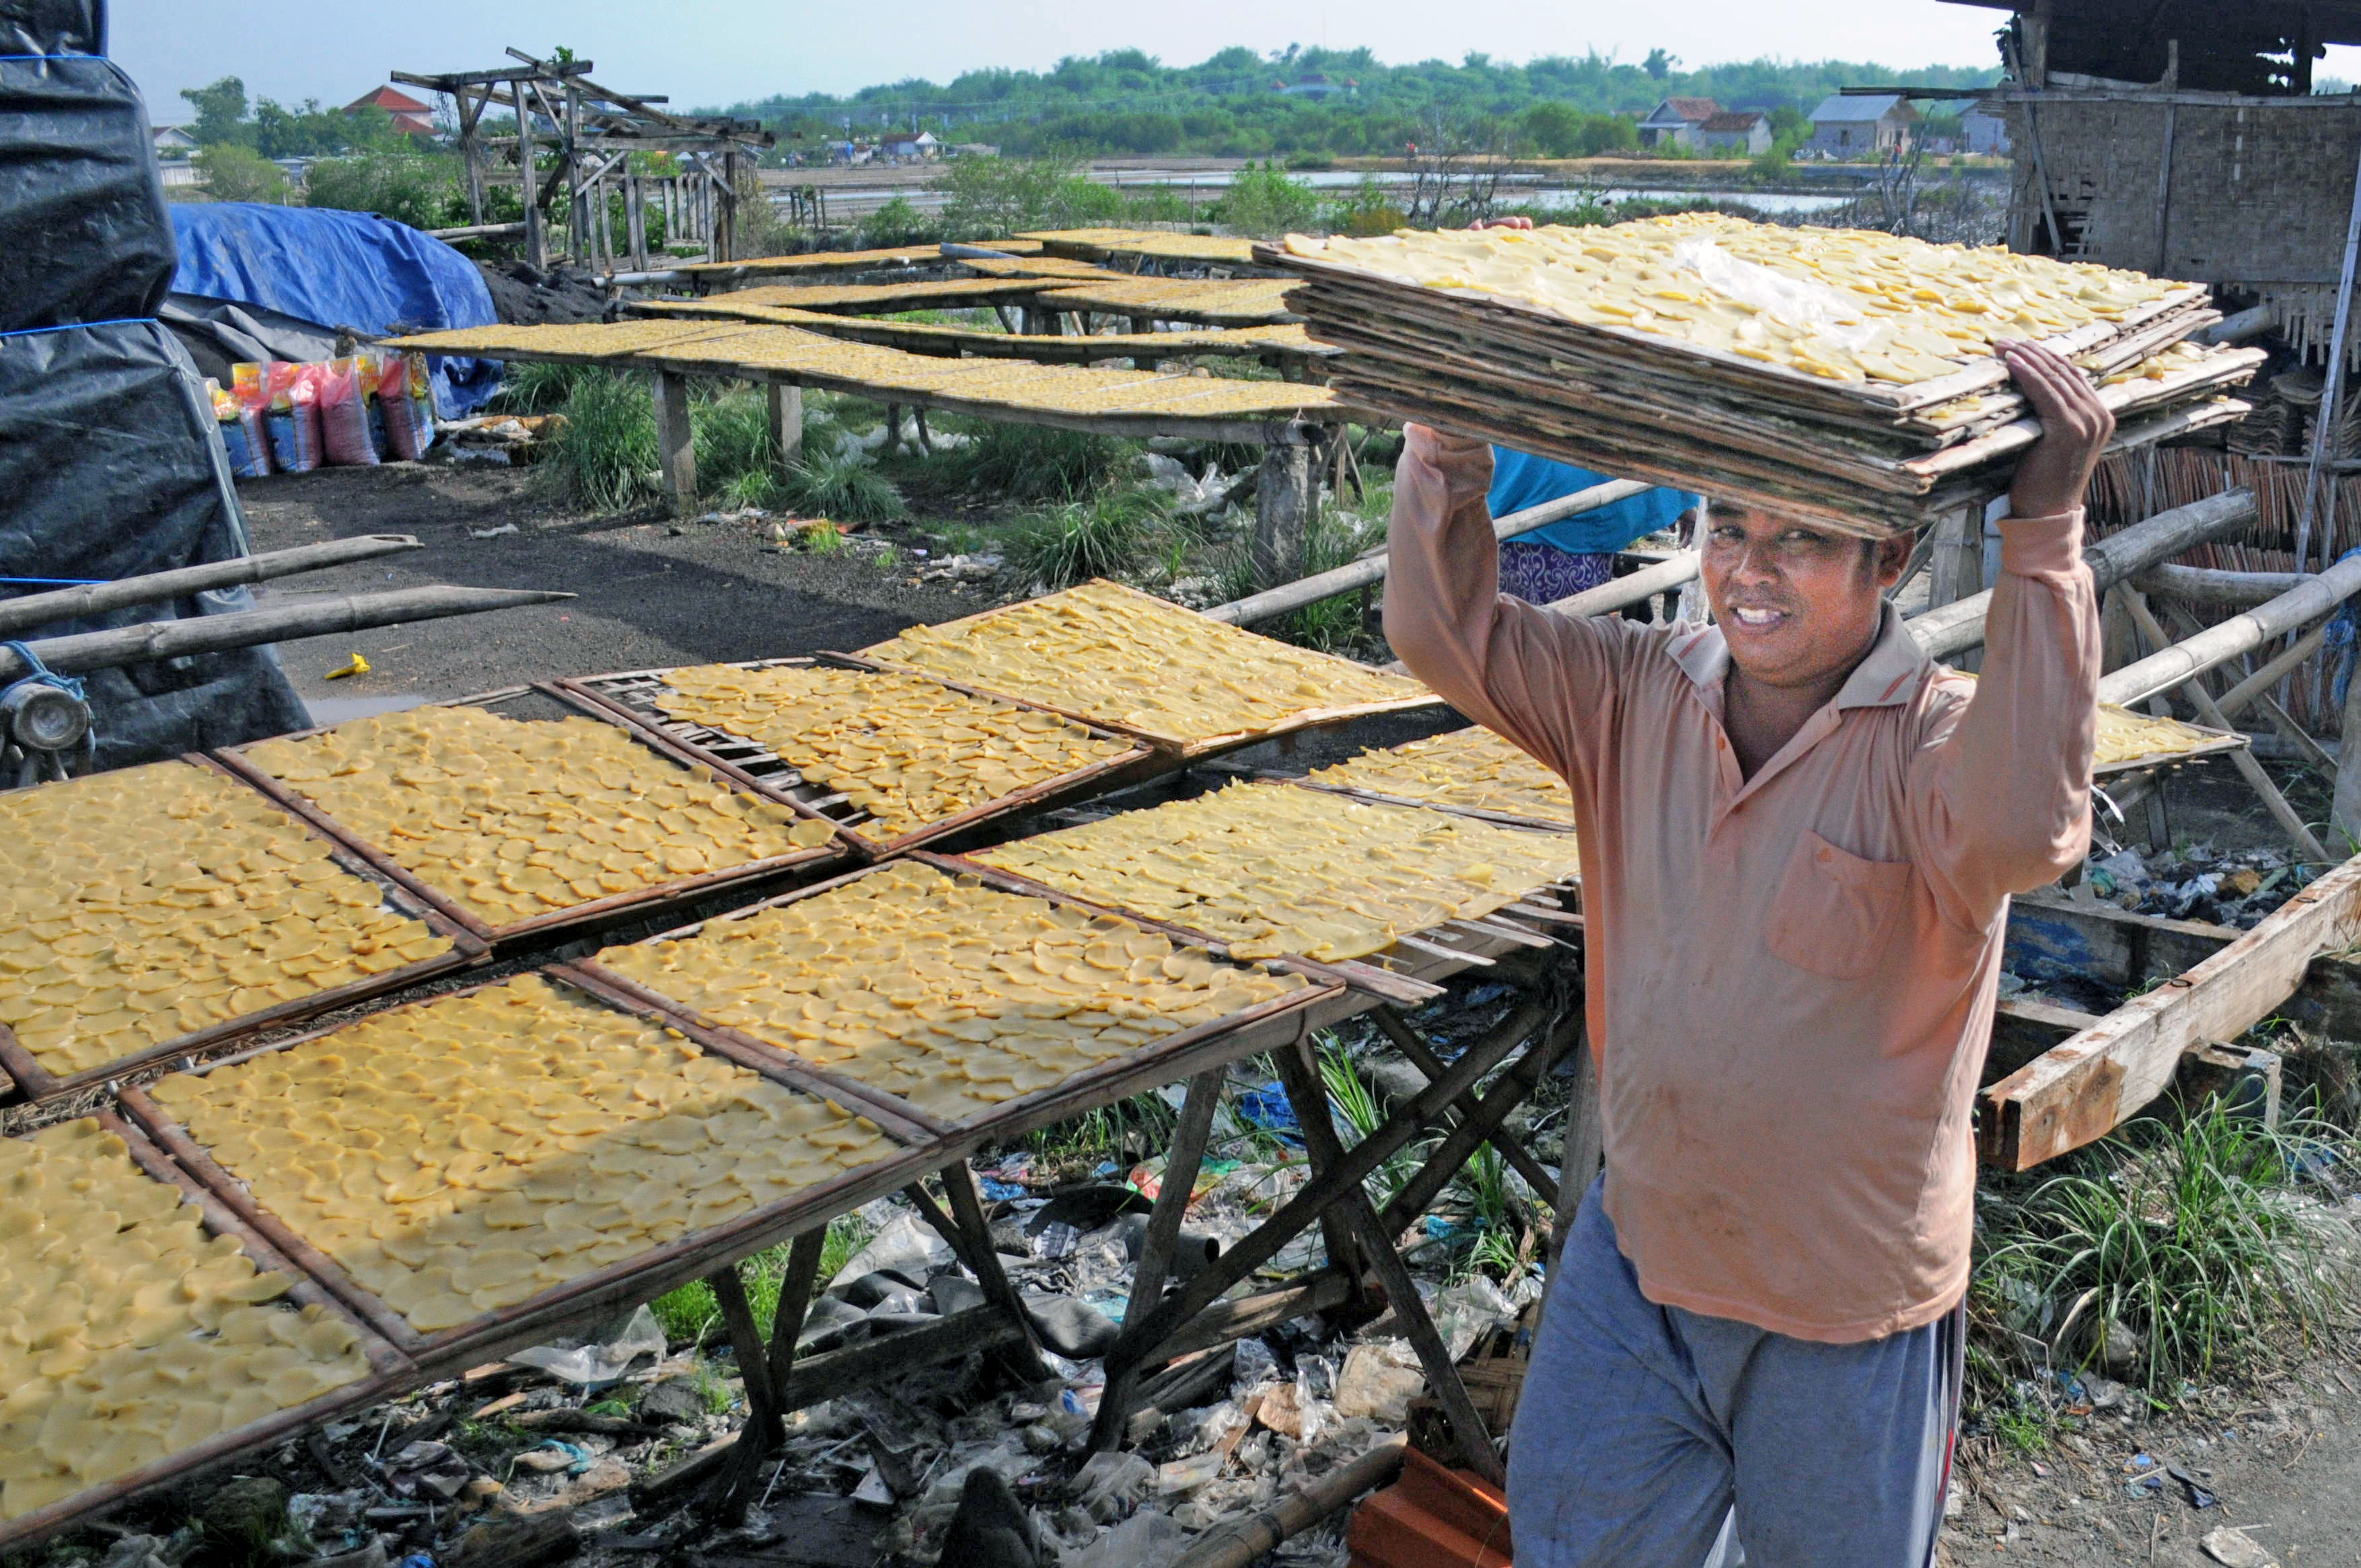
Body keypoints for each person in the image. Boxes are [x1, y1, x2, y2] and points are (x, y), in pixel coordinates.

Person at [1383, 339, 2111, 1568]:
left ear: (1888, 557)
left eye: (1801, 540)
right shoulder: (1631, 695)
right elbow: (1436, 632)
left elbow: (2025, 827)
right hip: (1643, 1256)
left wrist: (2041, 529)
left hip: (1841, 1306)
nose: (1747, 572)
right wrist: (1444, 436)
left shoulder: (1930, 749)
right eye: (1727, 528)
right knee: (1572, 1543)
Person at [1486, 447, 1696, 604]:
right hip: (1573, 541)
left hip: (1505, 523)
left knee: (1517, 640)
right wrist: (1679, 498)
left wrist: (1680, 499)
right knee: (1566, 644)